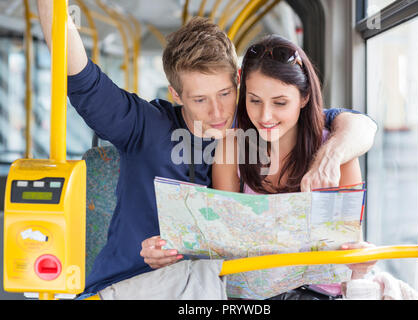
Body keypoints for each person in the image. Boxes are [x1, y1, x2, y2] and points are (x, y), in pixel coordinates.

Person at [37, 0, 377, 296]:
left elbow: (353, 124)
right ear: (176, 94)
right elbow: (80, 78)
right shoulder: (145, 126)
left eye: (225, 95)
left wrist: (330, 155)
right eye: (199, 99)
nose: (217, 113)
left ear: (238, 82)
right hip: (134, 280)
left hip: (216, 287)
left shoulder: (260, 122)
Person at [212, 34, 376, 300]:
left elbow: (349, 242)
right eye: (254, 100)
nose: (265, 116)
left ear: (304, 98)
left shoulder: (338, 151)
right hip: (252, 298)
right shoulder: (232, 148)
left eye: (280, 103)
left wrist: (359, 258)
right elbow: (223, 240)